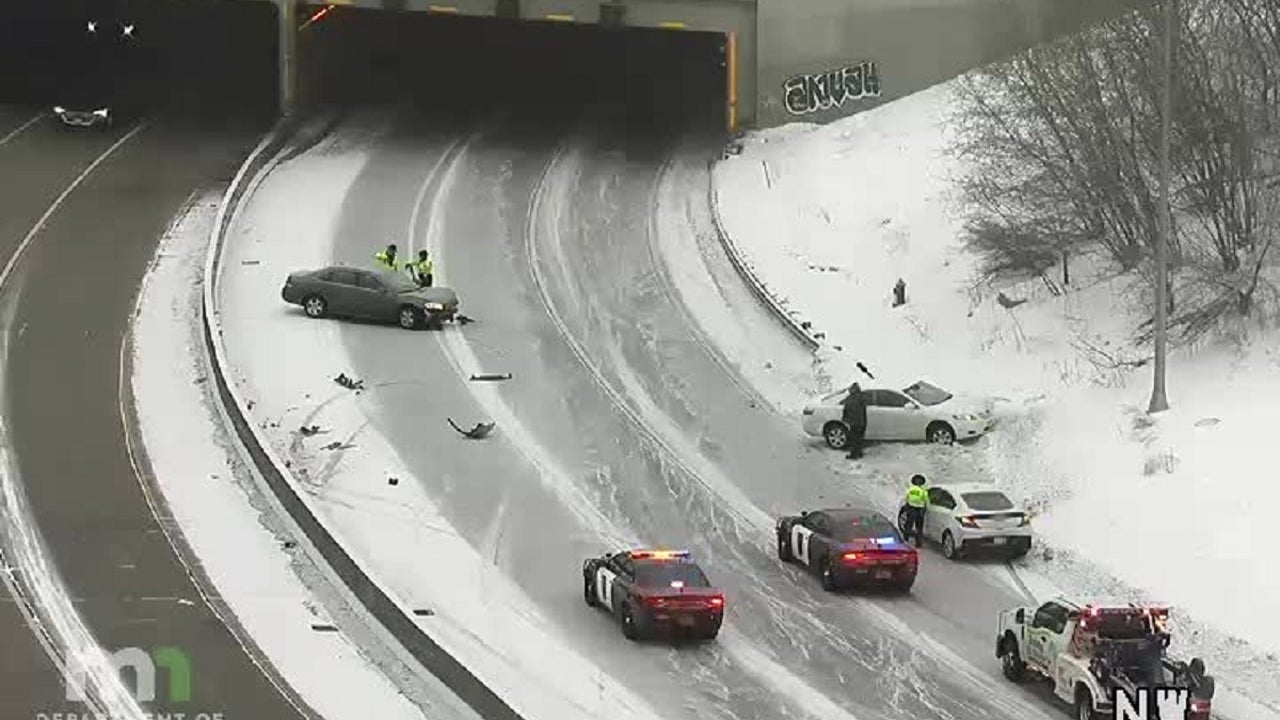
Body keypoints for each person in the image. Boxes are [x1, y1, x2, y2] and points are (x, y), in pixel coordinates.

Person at [841, 383, 867, 459]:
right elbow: (864, 409)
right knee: (860, 438)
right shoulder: (862, 397)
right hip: (861, 422)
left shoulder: (849, 398)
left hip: (853, 422)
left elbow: (846, 410)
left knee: (853, 440)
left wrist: (844, 420)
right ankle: (859, 453)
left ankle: (853, 455)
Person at [904, 474, 928, 547]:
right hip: (919, 509)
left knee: (909, 525)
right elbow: (925, 501)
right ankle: (918, 543)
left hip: (911, 508)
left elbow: (906, 498)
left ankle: (905, 539)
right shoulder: (923, 491)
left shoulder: (910, 489)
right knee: (919, 527)